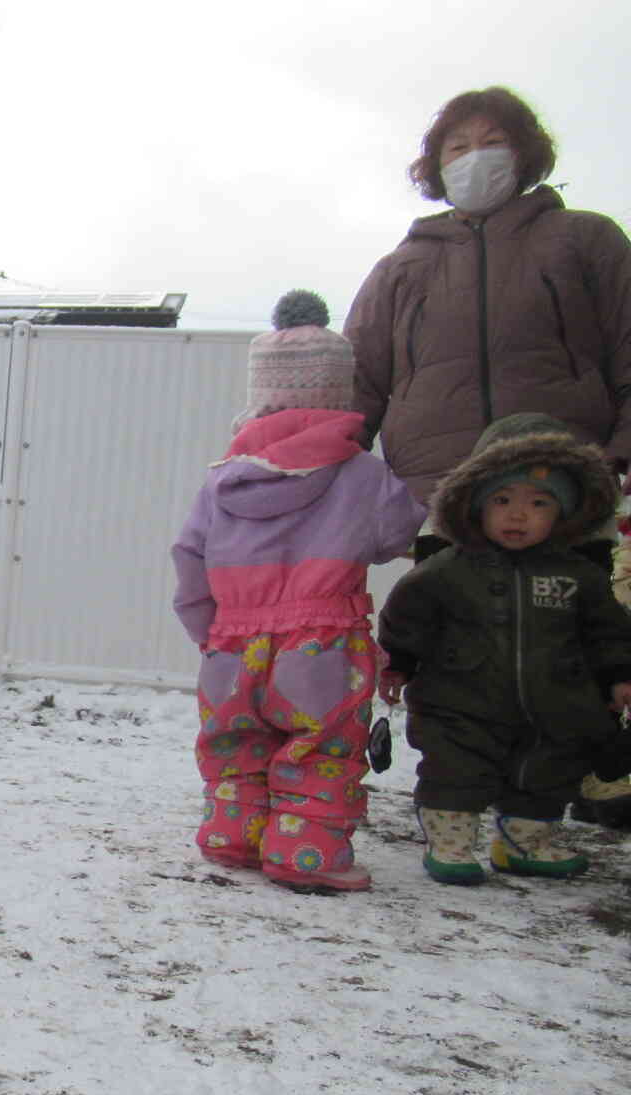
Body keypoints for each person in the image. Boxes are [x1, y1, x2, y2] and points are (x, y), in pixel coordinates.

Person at [342, 85, 631, 824]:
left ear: (526, 153)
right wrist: (329, 474)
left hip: (564, 493)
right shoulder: (402, 266)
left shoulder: (586, 240)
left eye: (491, 142)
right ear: (435, 166)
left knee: (570, 648)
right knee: (453, 657)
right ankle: (457, 796)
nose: (476, 159)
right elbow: (360, 383)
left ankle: (559, 794)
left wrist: (619, 458)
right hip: (442, 495)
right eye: (457, 147)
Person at [172, 291, 424, 894]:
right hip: (323, 641)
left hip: (232, 642)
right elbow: (396, 534)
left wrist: (211, 630)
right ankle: (304, 852)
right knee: (321, 746)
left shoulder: (222, 479)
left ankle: (233, 833)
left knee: (237, 741)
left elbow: (188, 556)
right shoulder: (363, 473)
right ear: (341, 396)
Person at [377, 413, 631, 884]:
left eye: (538, 503)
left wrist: (618, 676)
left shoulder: (578, 576)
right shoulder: (447, 570)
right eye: (502, 500)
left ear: (565, 512)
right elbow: (406, 616)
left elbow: (608, 632)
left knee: (544, 775)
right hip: (458, 704)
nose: (518, 515)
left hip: (553, 706)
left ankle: (525, 844)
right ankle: (451, 844)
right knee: (454, 772)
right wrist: (396, 664)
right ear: (475, 505)